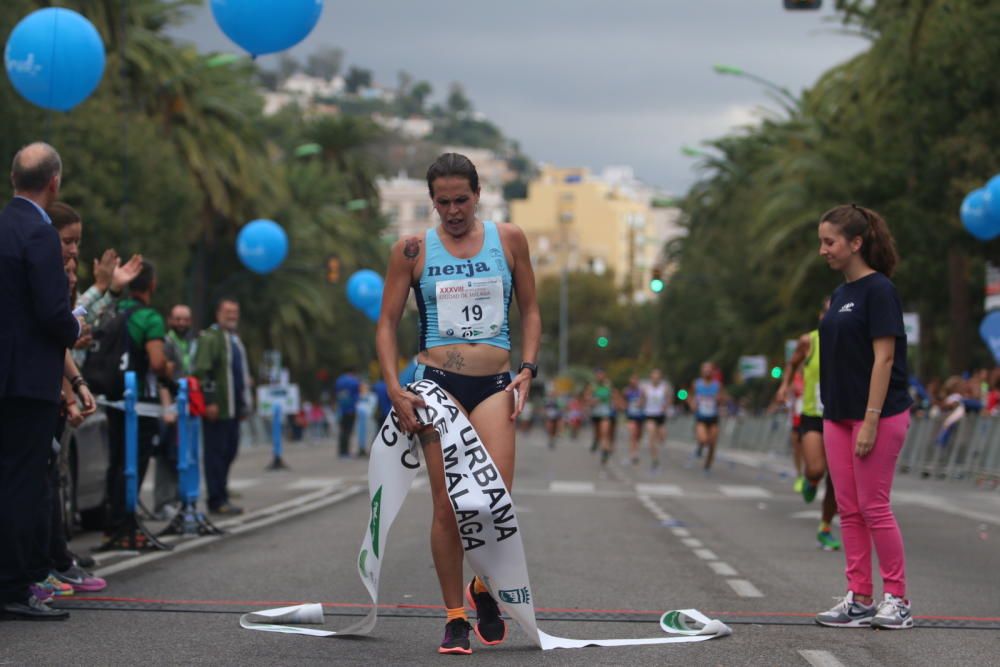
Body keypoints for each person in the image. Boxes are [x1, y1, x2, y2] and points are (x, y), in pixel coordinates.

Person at [375, 153, 541, 655]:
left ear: (477, 194)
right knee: (447, 506)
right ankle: (453, 616)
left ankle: (482, 587)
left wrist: (529, 370)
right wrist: (392, 385)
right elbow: (385, 323)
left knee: (493, 501)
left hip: (495, 385)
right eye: (442, 202)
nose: (452, 210)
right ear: (432, 202)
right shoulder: (410, 250)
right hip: (436, 387)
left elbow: (531, 309)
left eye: (461, 200)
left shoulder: (508, 239)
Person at [813, 204, 913, 630]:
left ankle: (898, 599)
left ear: (856, 243)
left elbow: (884, 357)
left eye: (829, 242)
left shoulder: (879, 290)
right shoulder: (840, 295)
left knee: (875, 507)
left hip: (878, 413)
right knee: (849, 509)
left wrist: (871, 419)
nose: (823, 250)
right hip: (837, 415)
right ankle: (859, 597)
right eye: (821, 242)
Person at [0, 143, 83, 620]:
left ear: (15, 179)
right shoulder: (39, 233)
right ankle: (14, 585)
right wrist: (75, 327)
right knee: (23, 483)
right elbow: (53, 313)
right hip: (29, 379)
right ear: (54, 182)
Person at [100, 261, 170, 547]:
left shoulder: (115, 311)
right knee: (135, 463)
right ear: (152, 285)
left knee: (117, 461)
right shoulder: (150, 318)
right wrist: (169, 366)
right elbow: (156, 362)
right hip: (141, 401)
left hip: (113, 396)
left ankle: (112, 524)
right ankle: (125, 524)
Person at [776, 298, 841, 552]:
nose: (830, 317)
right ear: (820, 315)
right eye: (826, 312)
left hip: (841, 415)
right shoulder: (809, 341)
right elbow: (792, 363)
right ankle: (811, 480)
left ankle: (825, 528)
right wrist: (784, 385)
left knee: (836, 480)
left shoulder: (852, 340)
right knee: (815, 469)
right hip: (813, 414)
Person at [193, 298, 251, 516]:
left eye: (235, 312)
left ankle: (222, 492)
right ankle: (216, 499)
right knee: (215, 454)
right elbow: (202, 371)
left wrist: (245, 404)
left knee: (230, 450)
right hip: (218, 409)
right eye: (228, 312)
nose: (232, 316)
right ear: (218, 313)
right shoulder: (211, 338)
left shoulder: (234, 340)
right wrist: (209, 402)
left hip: (234, 409)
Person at [154, 304, 194, 519]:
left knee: (182, 457)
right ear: (170, 320)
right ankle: (162, 503)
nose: (181, 323)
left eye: (185, 319)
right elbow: (161, 379)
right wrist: (167, 408)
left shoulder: (190, 343)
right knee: (167, 457)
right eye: (177, 318)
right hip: (171, 409)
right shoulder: (166, 344)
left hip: (187, 409)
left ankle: (180, 499)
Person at [690, 362, 725, 473]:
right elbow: (690, 397)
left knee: (712, 443)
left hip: (713, 417)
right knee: (704, 439)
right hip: (701, 417)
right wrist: (693, 404)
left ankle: (707, 465)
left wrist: (720, 400)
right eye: (705, 369)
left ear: (713, 371)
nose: (707, 371)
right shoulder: (697, 384)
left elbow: (722, 400)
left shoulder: (717, 385)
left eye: (709, 369)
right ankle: (700, 446)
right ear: (702, 371)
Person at [641, 368, 672, 473]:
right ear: (651, 377)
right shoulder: (646, 388)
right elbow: (642, 400)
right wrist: (639, 404)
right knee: (651, 436)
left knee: (662, 438)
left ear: (660, 378)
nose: (656, 378)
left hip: (660, 416)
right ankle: (654, 459)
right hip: (650, 415)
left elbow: (669, 400)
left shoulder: (665, 388)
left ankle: (657, 447)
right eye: (654, 376)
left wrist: (666, 406)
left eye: (658, 376)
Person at [333, 368, 361, 458]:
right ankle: (346, 452)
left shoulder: (339, 381)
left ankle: (341, 451)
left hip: (341, 410)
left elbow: (336, 394)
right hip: (351, 410)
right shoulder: (354, 381)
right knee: (348, 431)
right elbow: (357, 396)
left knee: (342, 431)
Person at [622, 374, 645, 466]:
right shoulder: (626, 391)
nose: (634, 381)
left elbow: (645, 401)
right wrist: (625, 406)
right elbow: (623, 401)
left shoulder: (641, 391)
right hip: (631, 416)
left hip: (640, 416)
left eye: (636, 379)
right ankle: (633, 455)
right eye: (632, 379)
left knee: (638, 436)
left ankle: (636, 451)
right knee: (633, 434)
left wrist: (641, 403)